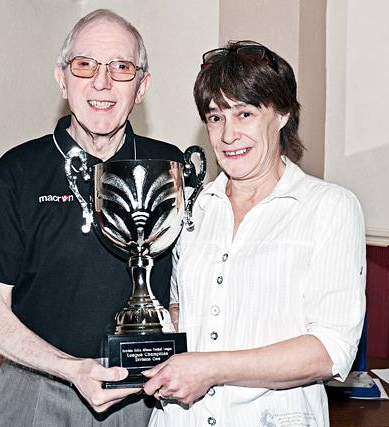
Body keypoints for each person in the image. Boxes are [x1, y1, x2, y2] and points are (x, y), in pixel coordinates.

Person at [0, 9, 183, 426]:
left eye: (121, 67)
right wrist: (69, 368)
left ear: (142, 86)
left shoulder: (169, 167)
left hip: (147, 396)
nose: (102, 82)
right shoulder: (17, 171)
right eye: (85, 65)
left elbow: (192, 282)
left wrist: (175, 315)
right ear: (62, 78)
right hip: (37, 392)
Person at [143, 41, 366, 427]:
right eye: (215, 117)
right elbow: (182, 313)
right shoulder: (190, 207)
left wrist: (211, 369)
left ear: (281, 114)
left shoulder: (329, 208)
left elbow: (330, 351)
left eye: (244, 113)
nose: (228, 135)